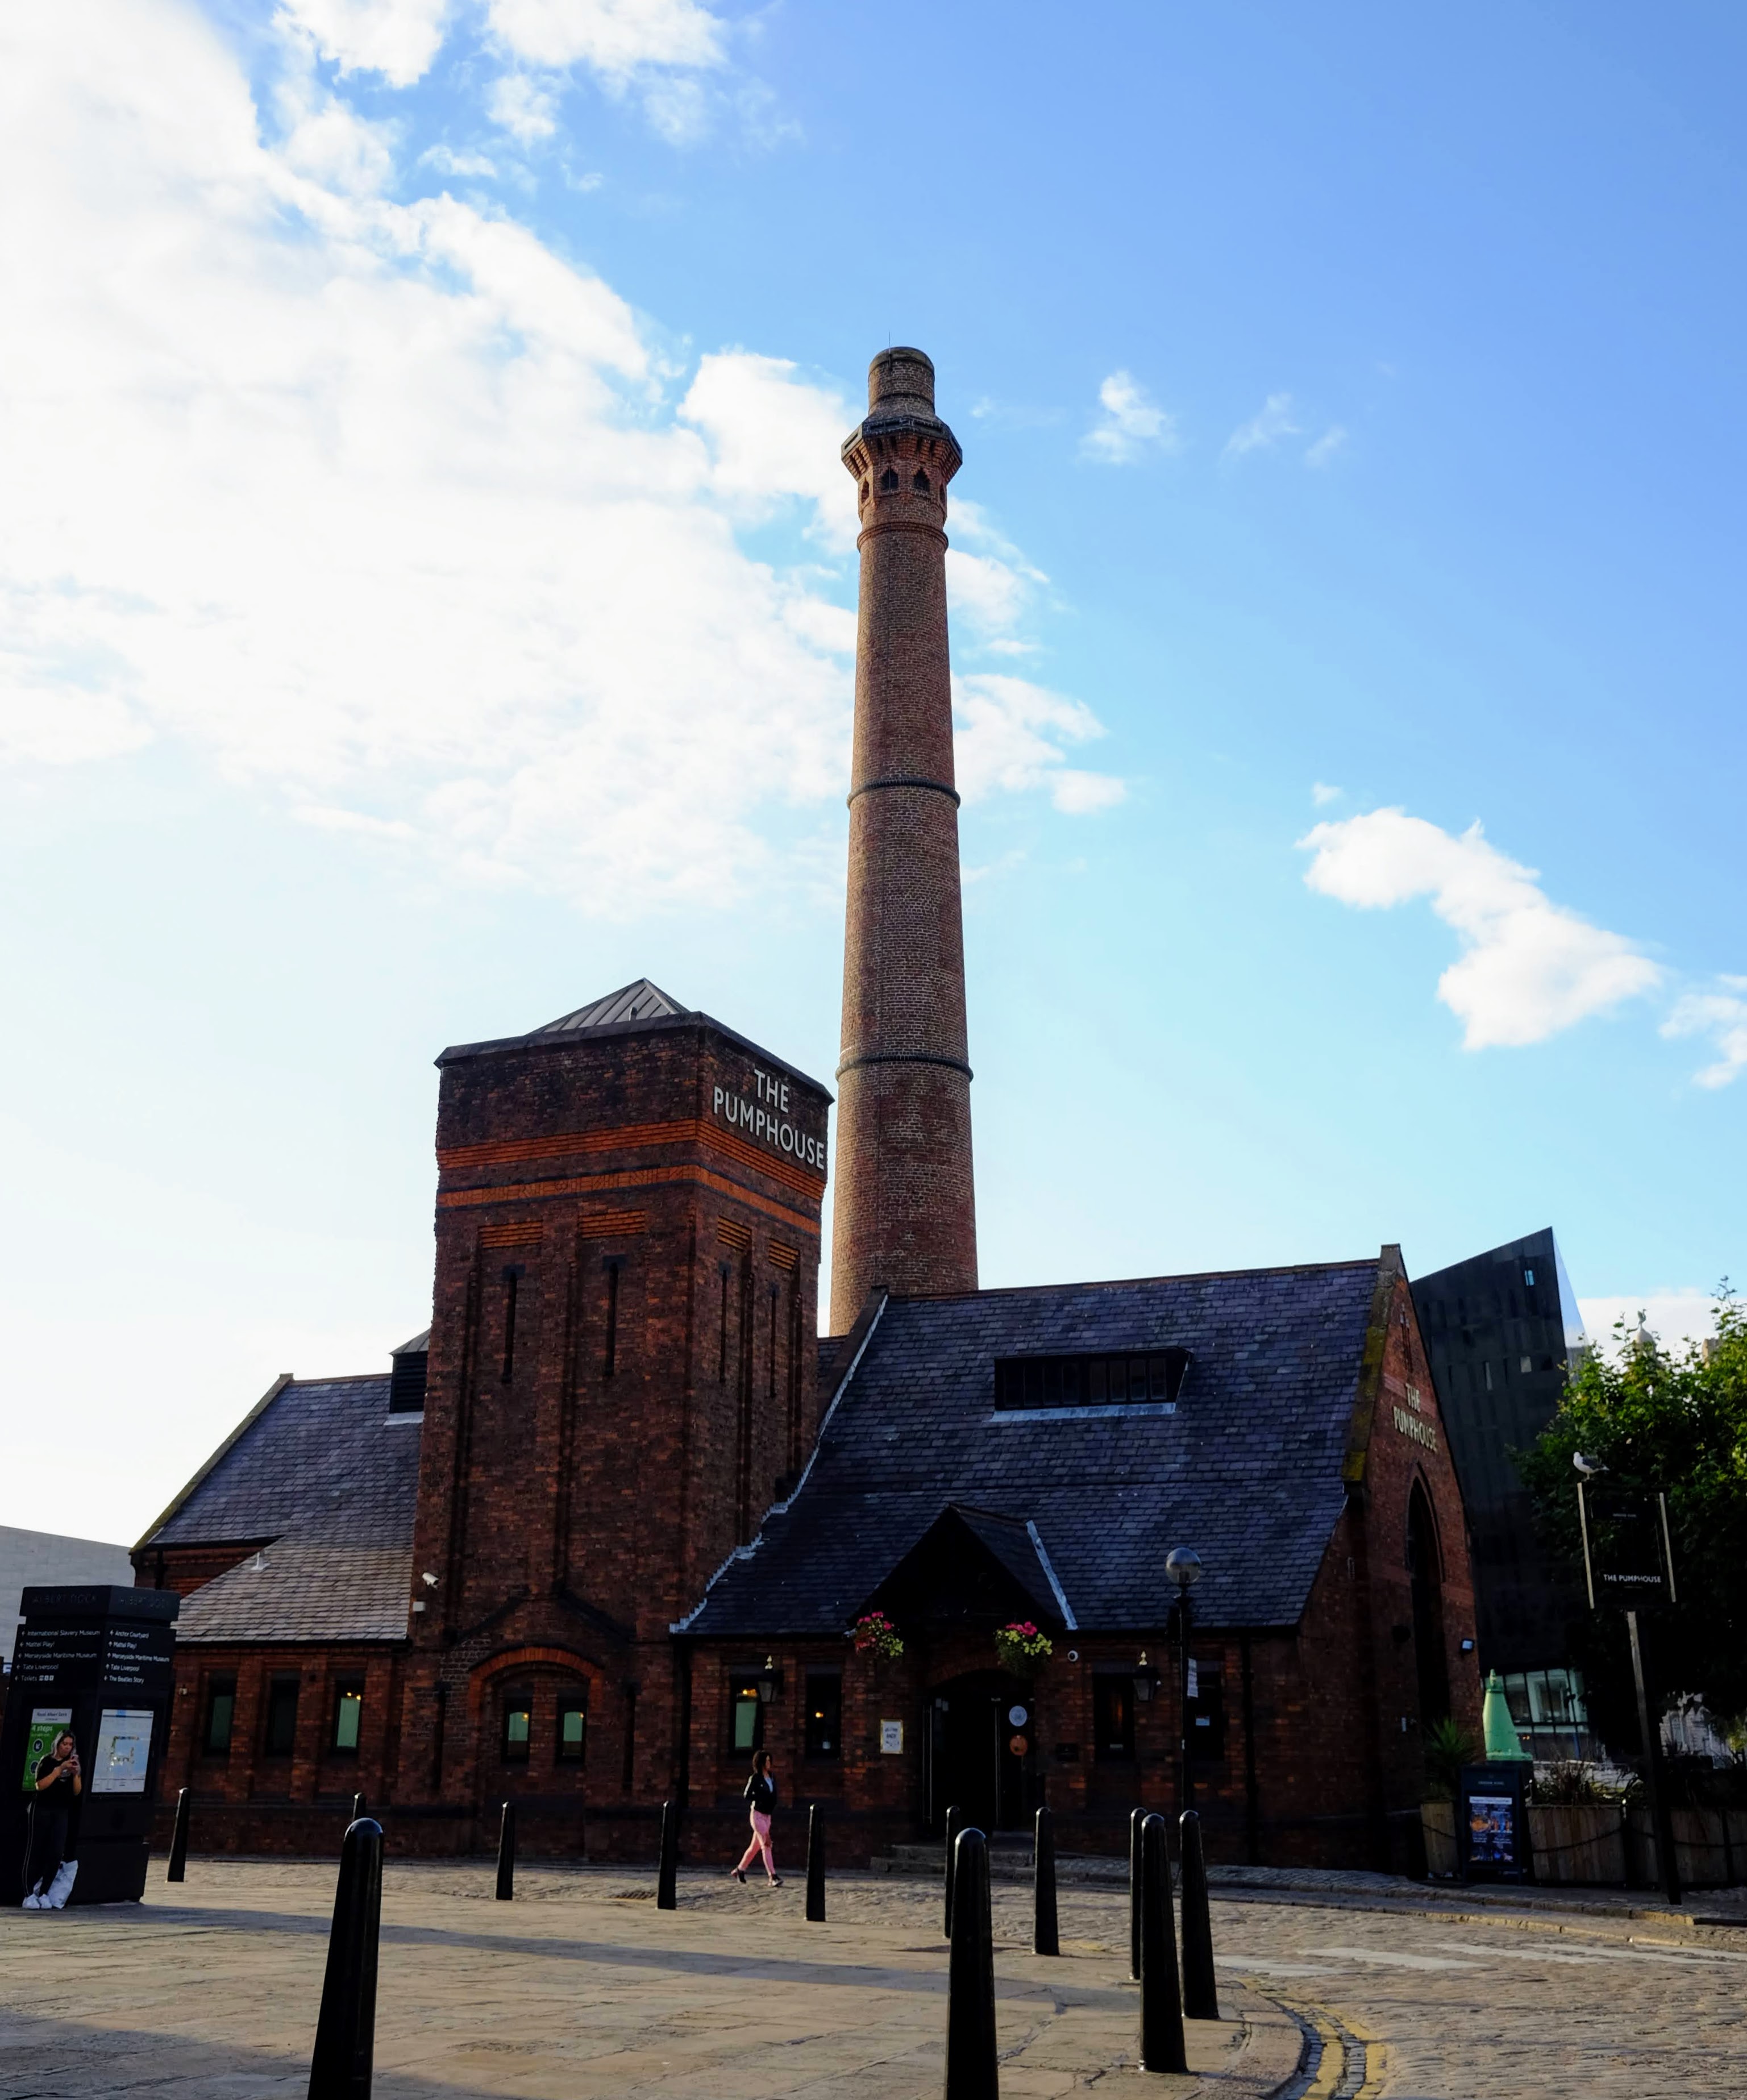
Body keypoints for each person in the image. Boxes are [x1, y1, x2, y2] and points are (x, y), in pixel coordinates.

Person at [22, 1728, 82, 1910]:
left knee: (56, 1853)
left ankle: (45, 1892)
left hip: (61, 1811)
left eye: (70, 1745)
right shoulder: (47, 1762)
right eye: (64, 1744)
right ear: (58, 1744)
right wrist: (59, 1770)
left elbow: (77, 1791)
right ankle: (28, 1894)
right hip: (42, 1809)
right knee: (35, 1850)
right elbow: (40, 1785)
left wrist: (76, 1773)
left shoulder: (71, 1764)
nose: (67, 1748)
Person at [731, 1749, 781, 1886]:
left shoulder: (772, 1777)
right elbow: (747, 1795)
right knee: (767, 1844)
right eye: (767, 1761)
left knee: (754, 1847)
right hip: (757, 1815)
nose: (769, 1763)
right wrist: (760, 1798)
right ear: (761, 1762)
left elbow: (773, 1794)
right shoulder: (755, 1778)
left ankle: (740, 1870)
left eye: (770, 1760)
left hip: (767, 1816)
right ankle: (773, 1876)